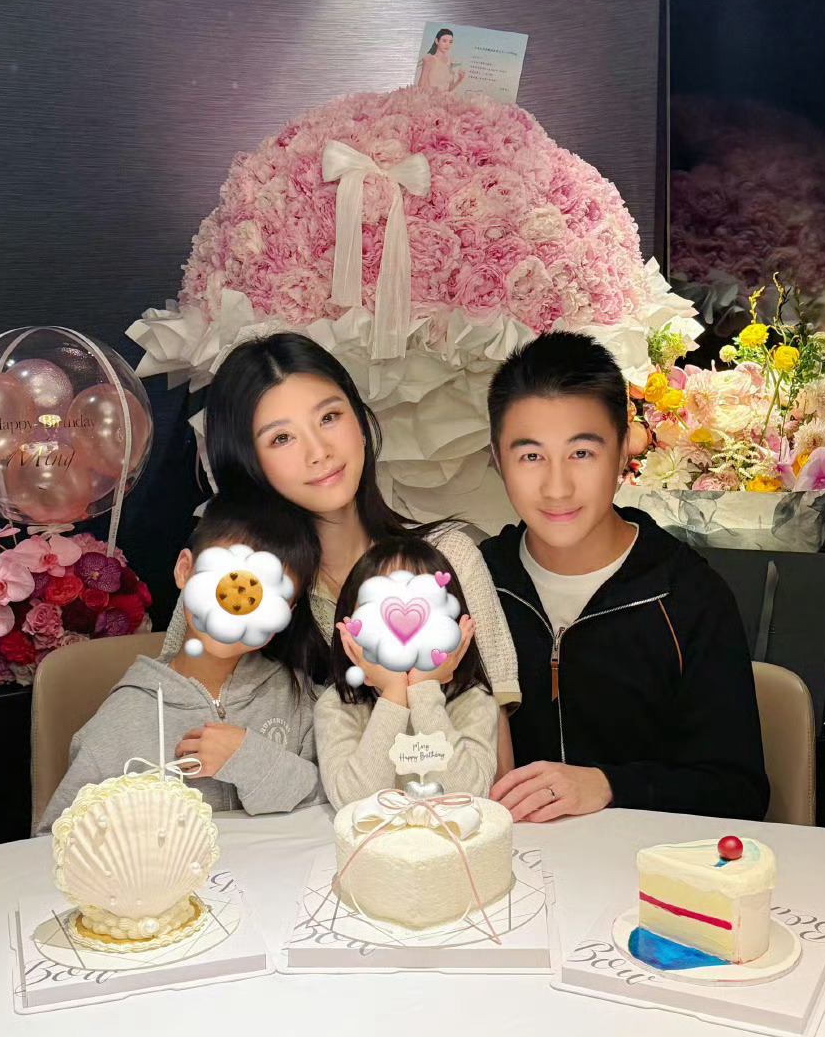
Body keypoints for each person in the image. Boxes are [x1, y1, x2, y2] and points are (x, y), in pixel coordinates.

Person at [162, 335, 519, 737]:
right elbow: (169, 716)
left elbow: (494, 741)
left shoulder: (448, 556)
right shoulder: (228, 578)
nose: (319, 452)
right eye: (281, 438)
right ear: (249, 464)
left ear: (360, 422)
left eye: (329, 417)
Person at [478, 331, 769, 823]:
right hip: (510, 860)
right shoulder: (476, 584)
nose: (556, 487)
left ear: (623, 451)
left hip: (645, 862)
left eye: (582, 453)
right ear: (497, 459)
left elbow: (738, 792)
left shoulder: (688, 596)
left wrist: (610, 785)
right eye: (531, 456)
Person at [36, 495, 323, 833]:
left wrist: (248, 759)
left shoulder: (300, 699)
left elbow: (335, 805)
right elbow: (56, 837)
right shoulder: (125, 716)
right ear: (185, 570)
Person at [314, 536, 501, 810]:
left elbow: (467, 797)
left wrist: (423, 690)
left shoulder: (472, 701)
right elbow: (353, 803)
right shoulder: (338, 705)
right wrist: (394, 694)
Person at [417, 28, 466, 92]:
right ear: (437, 41)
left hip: (445, 97)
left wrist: (460, 79)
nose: (447, 44)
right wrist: (425, 68)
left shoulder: (452, 62)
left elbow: (450, 88)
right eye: (444, 41)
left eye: (450, 42)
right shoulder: (430, 59)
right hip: (431, 96)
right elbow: (421, 87)